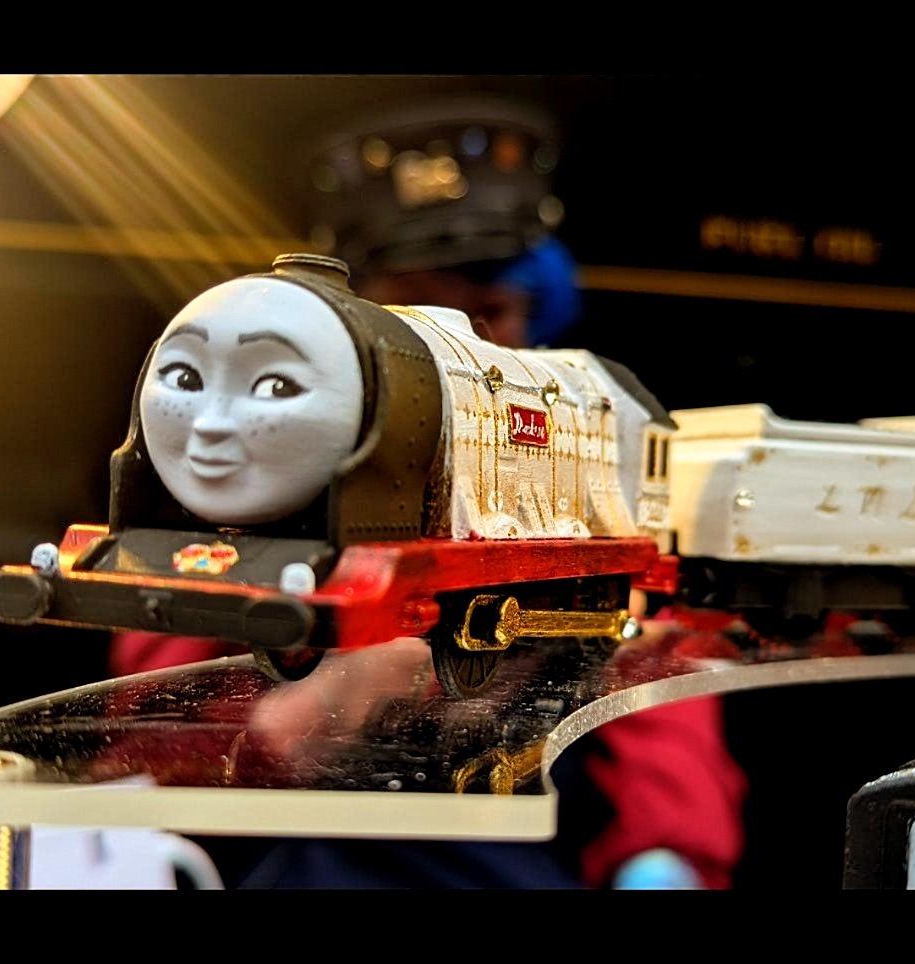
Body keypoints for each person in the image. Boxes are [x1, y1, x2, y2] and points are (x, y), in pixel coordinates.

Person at [109, 93, 748, 889]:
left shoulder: (578, 467)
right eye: (415, 315)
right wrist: (311, 712)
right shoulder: (251, 469)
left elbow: (658, 691)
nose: (465, 349)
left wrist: (668, 852)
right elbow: (141, 739)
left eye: (491, 313)